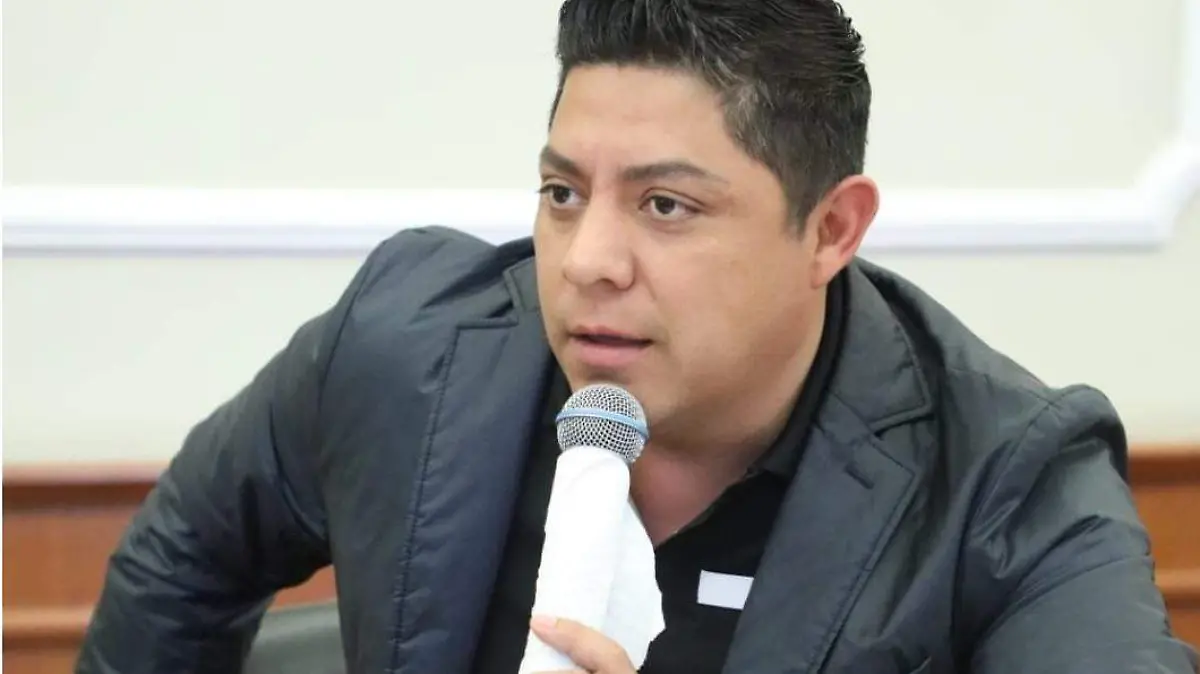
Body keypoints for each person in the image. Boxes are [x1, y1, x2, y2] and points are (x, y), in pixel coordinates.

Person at [77, 0, 1197, 672]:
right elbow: (182, 561)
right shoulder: (406, 346)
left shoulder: (1006, 478)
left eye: (666, 205)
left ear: (830, 230)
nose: (587, 261)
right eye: (563, 193)